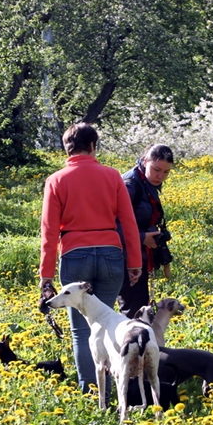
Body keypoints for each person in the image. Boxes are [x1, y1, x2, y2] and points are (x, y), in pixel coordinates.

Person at [39, 123, 142, 396]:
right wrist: (135, 262)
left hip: (74, 254)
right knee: (108, 323)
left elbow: (49, 232)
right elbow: (128, 223)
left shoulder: (56, 180)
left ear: (66, 147)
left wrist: (45, 276)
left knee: (82, 332)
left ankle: (93, 393)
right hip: (111, 254)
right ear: (94, 146)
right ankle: (117, 389)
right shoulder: (112, 176)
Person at [117, 143, 175, 318]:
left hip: (137, 254)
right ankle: (132, 344)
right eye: (156, 169)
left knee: (139, 308)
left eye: (166, 172)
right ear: (144, 161)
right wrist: (141, 237)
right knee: (134, 311)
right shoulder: (130, 184)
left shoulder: (146, 182)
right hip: (124, 256)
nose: (160, 176)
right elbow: (110, 223)